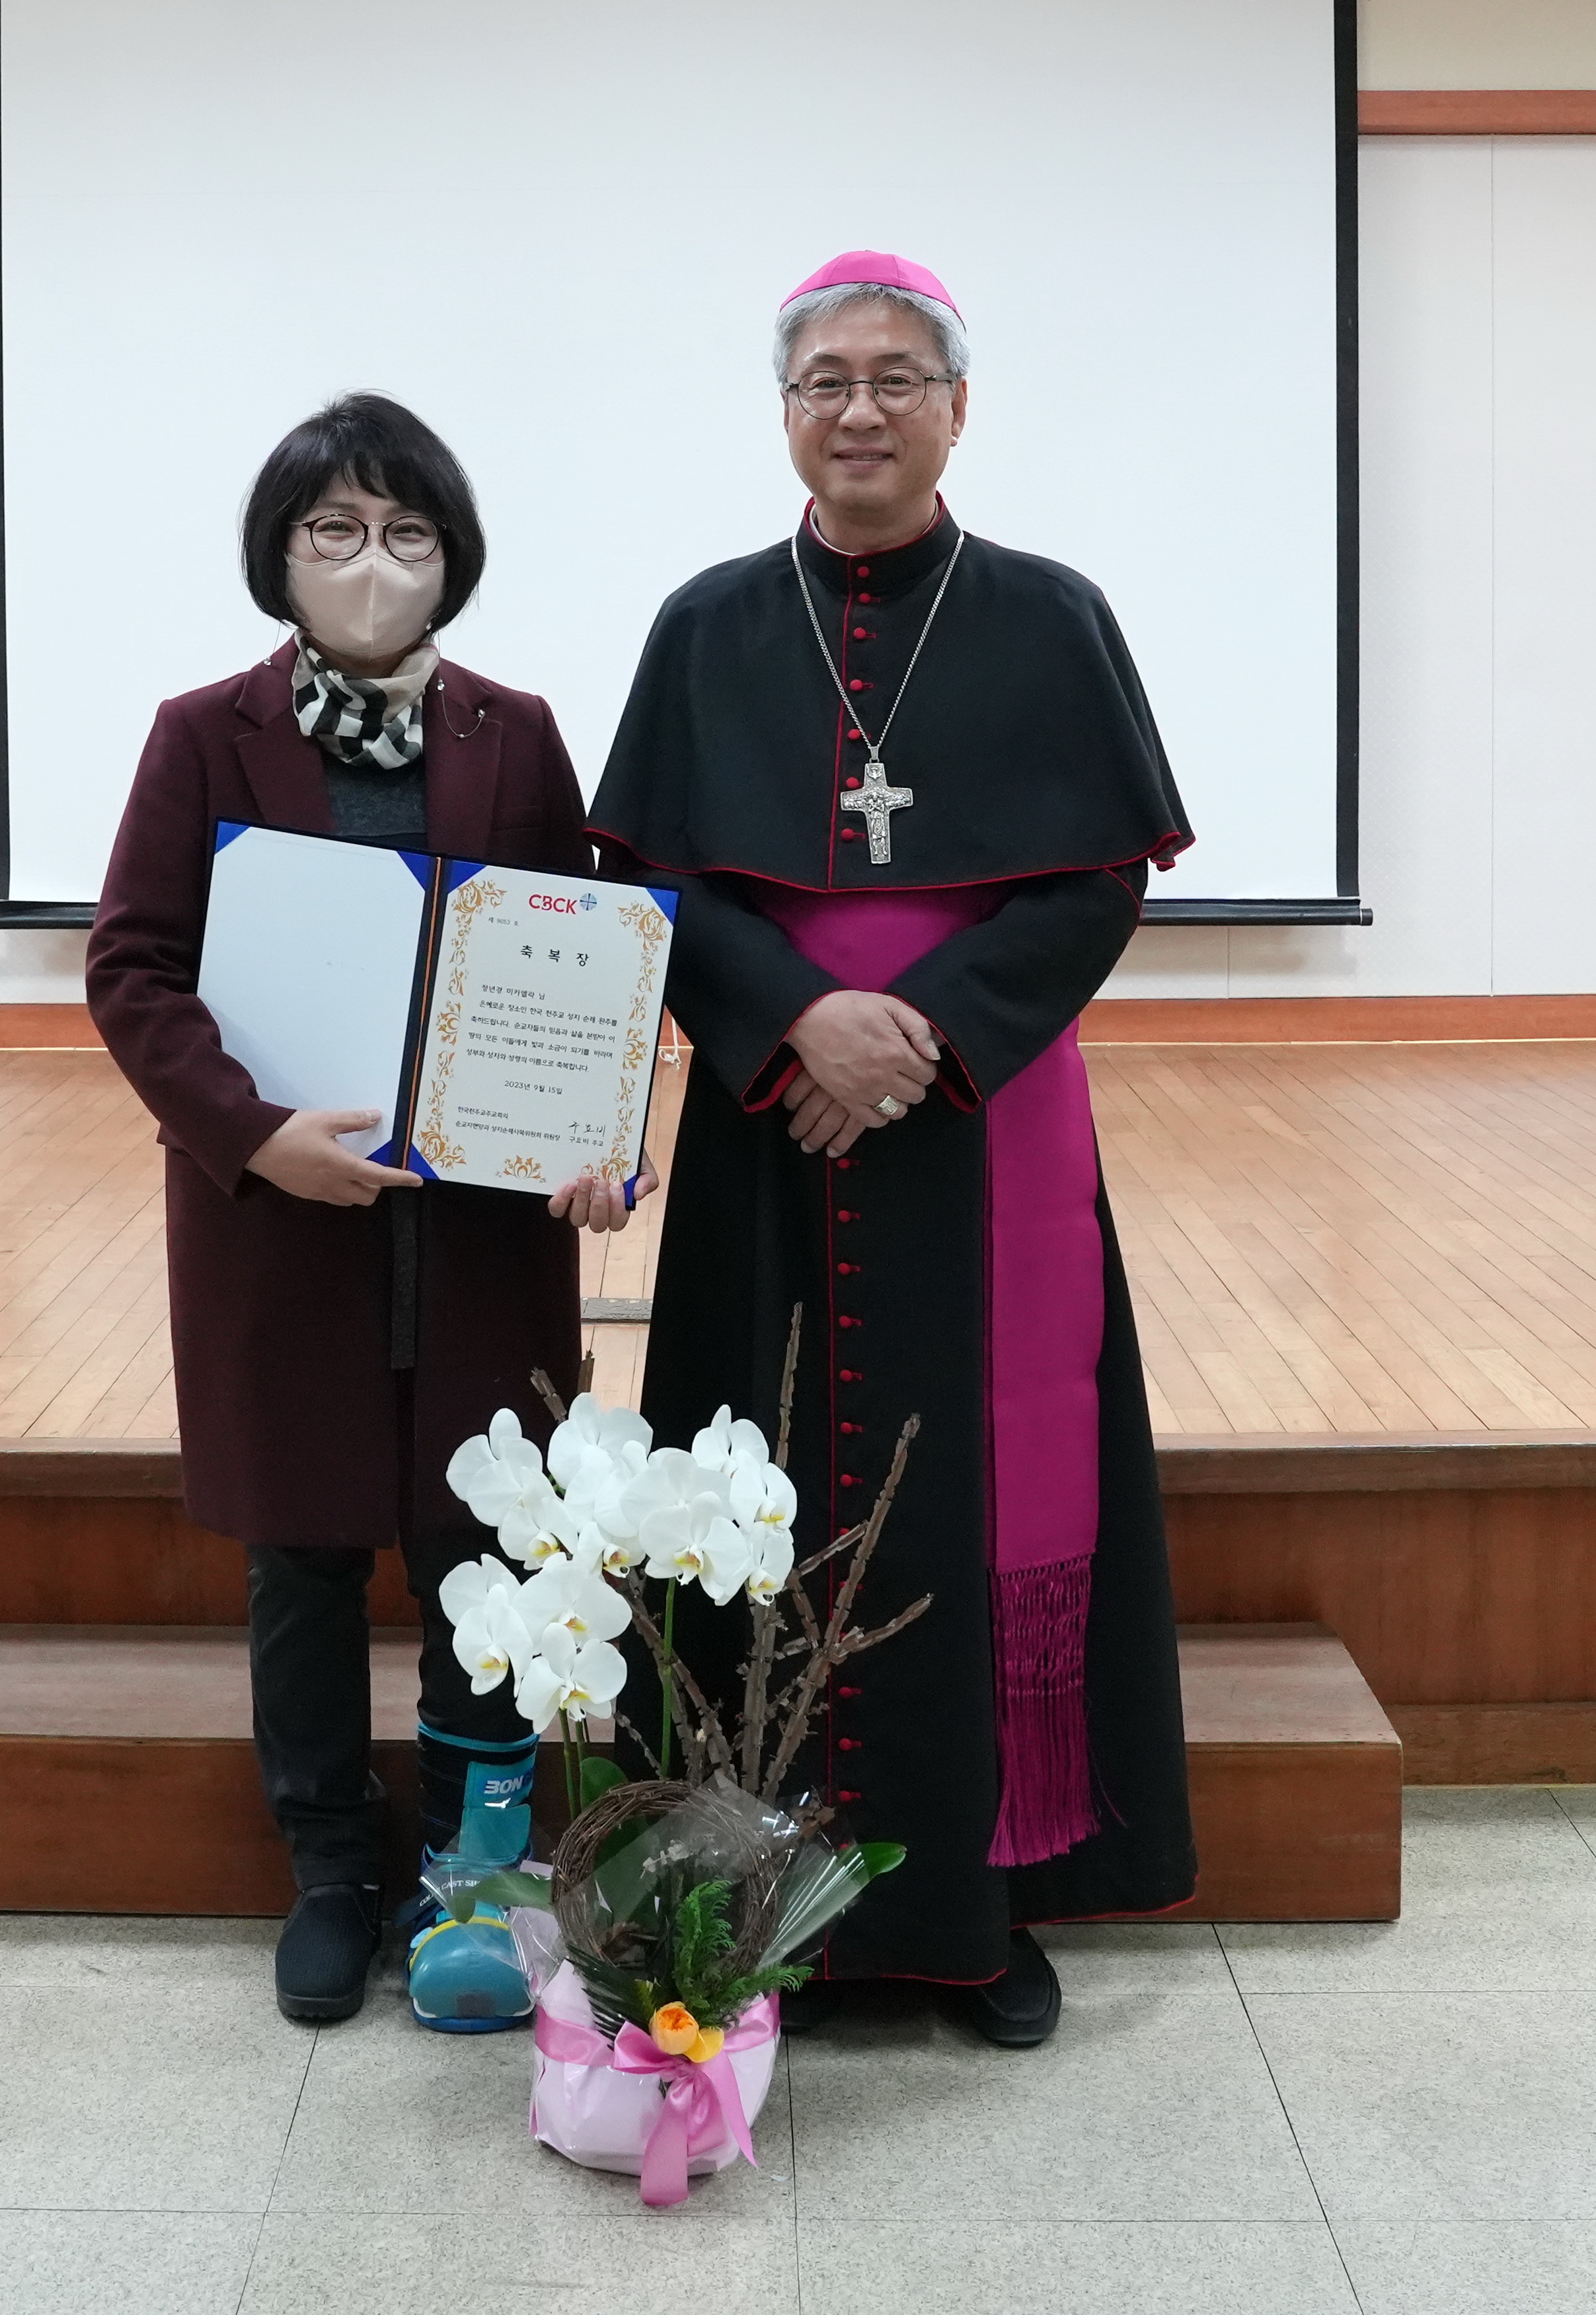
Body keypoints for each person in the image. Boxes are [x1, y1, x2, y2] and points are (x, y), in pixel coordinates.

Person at [589, 253, 1197, 2043]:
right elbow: (656, 880)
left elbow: (1093, 879)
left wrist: (914, 1036)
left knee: (988, 1490)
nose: (857, 409)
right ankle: (743, 1902)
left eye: (894, 377)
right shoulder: (706, 625)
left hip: (981, 1124)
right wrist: (798, 1018)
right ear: (783, 411)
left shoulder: (1049, 616)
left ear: (954, 405)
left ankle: (973, 1908)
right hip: (768, 1118)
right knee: (752, 1472)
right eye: (823, 381)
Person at [88, 393, 652, 2030]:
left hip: (474, 1232)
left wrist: (600, 1144)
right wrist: (252, 1135)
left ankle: (470, 1871)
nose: (370, 561)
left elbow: (583, 956)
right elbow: (133, 968)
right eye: (331, 529)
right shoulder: (203, 732)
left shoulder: (515, 732)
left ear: (451, 556)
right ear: (276, 554)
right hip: (285, 1223)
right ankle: (330, 1867)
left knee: (485, 1539)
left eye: (406, 532)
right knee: (305, 1556)